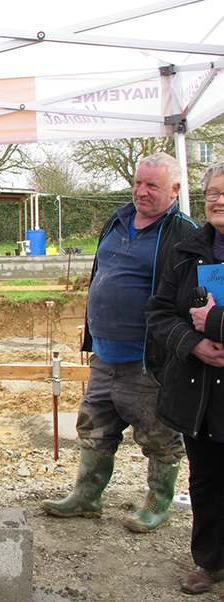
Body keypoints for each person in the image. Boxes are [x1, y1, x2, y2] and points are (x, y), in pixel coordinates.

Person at [40, 151, 198, 532]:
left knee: (157, 433)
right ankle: (87, 497)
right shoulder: (118, 218)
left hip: (147, 359)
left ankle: (158, 503)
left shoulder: (183, 233)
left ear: (175, 190)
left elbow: (189, 296)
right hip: (104, 354)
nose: (141, 192)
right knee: (94, 427)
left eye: (152, 186)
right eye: (138, 183)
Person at [145, 162, 224, 598]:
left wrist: (216, 323)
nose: (218, 201)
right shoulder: (190, 250)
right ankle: (208, 561)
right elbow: (159, 310)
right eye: (213, 193)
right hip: (200, 391)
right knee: (206, 478)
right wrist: (193, 343)